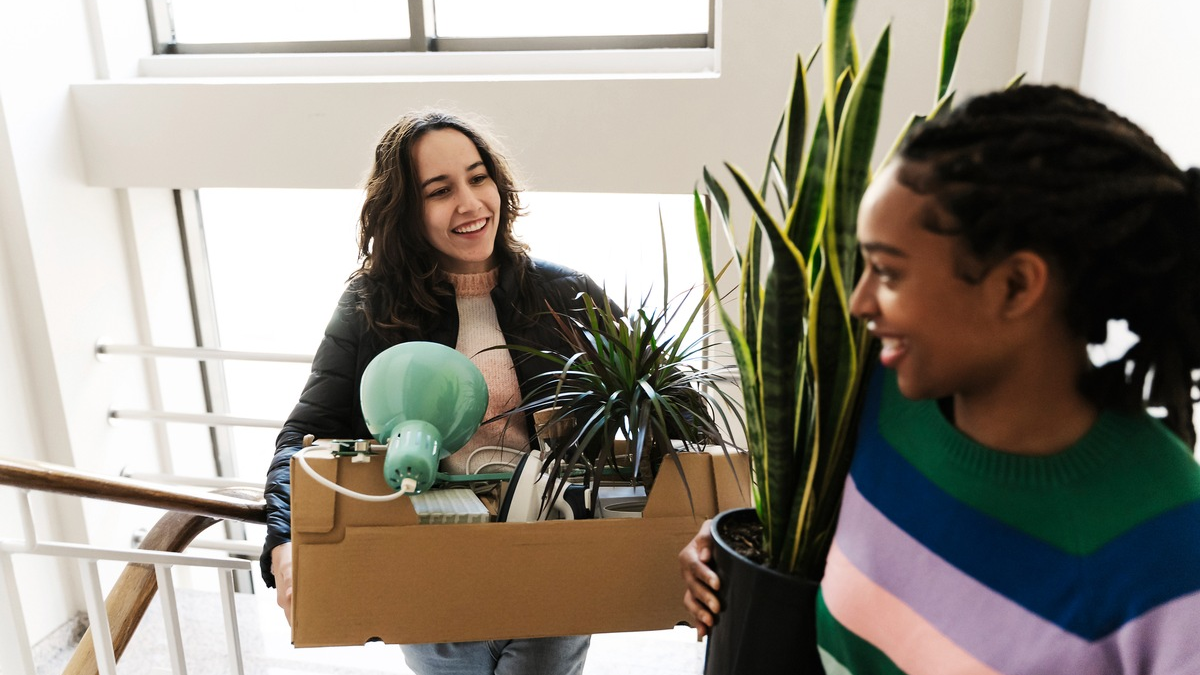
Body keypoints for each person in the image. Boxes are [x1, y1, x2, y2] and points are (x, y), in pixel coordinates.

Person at [680, 84, 1200, 673]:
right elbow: (803, 533)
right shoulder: (876, 398)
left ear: (1015, 286)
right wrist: (717, 551)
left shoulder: (1173, 552)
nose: (858, 303)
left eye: (888, 272)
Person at [262, 110, 603, 675]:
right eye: (440, 190)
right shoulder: (370, 306)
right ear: (406, 212)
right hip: (427, 570)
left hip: (550, 565)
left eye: (478, 177)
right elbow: (304, 436)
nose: (470, 203)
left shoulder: (566, 293)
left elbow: (656, 407)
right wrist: (284, 540)